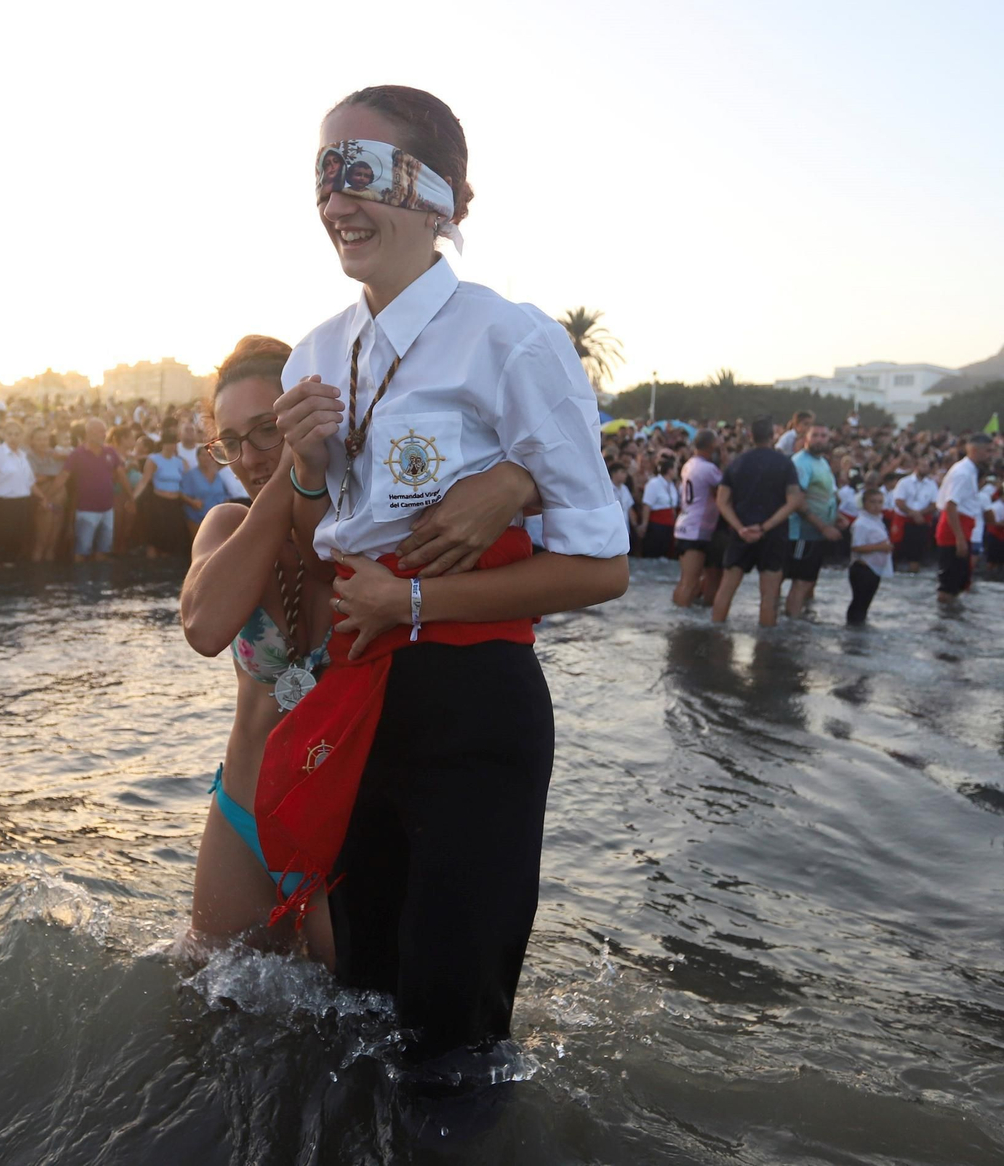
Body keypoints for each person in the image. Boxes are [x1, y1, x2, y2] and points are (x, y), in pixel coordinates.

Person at [268, 85, 628, 1070]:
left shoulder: (511, 338)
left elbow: (601, 566)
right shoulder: (315, 351)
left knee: (452, 1025)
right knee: (358, 996)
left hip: (472, 703)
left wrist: (415, 597)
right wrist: (304, 466)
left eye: (364, 171)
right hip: (354, 695)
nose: (336, 199)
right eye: (323, 173)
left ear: (444, 199)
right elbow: (306, 548)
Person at [181, 336, 337, 963]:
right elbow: (204, 629)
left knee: (345, 1029)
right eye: (231, 441)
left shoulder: (361, 537)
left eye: (268, 430)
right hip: (242, 816)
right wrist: (290, 473)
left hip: (338, 832)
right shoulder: (224, 526)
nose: (247, 457)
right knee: (204, 1009)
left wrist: (308, 474)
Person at [711, 417, 803, 627]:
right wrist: (764, 527)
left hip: (741, 533)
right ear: (773, 437)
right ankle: (765, 649)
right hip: (773, 534)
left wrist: (741, 528)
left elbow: (722, 502)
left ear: (751, 436)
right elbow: (794, 501)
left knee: (725, 591)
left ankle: (714, 638)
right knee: (769, 598)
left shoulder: (737, 463)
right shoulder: (784, 463)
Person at [783, 424, 844, 619]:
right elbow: (797, 500)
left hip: (816, 533)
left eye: (824, 435)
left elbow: (827, 494)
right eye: (815, 435)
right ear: (805, 439)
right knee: (800, 581)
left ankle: (803, 617)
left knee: (809, 580)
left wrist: (836, 516)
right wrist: (824, 526)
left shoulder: (822, 462)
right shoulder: (801, 462)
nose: (820, 439)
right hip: (801, 532)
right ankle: (791, 624)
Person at [934, 434, 991, 607]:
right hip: (953, 531)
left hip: (963, 528)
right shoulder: (963, 472)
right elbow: (951, 505)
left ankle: (953, 619)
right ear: (974, 450)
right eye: (988, 450)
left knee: (960, 580)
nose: (991, 454)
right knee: (949, 584)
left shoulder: (970, 470)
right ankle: (944, 625)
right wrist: (959, 538)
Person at [61, 418, 125, 563]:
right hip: (86, 510)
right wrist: (47, 497)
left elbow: (121, 475)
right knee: (81, 552)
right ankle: (81, 582)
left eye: (105, 431)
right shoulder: (77, 454)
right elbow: (63, 477)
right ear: (89, 433)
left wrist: (131, 498)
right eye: (101, 431)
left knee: (103, 552)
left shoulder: (110, 451)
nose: (104, 434)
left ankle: (100, 584)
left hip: (107, 509)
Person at [672, 429, 723, 607]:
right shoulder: (708, 468)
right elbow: (725, 490)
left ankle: (679, 614)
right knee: (690, 582)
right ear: (711, 446)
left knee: (686, 580)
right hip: (696, 528)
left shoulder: (689, 464)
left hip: (685, 525)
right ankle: (679, 622)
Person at [0, 420, 35, 566]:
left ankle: (10, 572)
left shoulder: (23, 456)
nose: (13, 437)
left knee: (15, 539)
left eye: (16, 434)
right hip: (0, 502)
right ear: (3, 435)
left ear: (21, 436)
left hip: (20, 502)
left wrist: (44, 498)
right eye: (9, 434)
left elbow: (29, 481)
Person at [132, 425, 190, 557]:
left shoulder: (180, 462)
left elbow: (187, 481)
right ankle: (151, 568)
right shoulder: (154, 459)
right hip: (158, 502)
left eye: (173, 444)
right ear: (163, 444)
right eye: (168, 443)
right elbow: (144, 481)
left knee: (171, 538)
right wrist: (133, 498)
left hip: (175, 503)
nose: (171, 446)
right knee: (155, 537)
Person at [846, 486, 892, 625]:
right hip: (863, 569)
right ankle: (853, 632)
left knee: (865, 604)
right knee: (859, 603)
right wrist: (881, 547)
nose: (877, 506)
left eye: (880, 502)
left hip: (874, 569)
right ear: (864, 503)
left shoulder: (876, 520)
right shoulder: (862, 523)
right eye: (873, 502)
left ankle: (859, 631)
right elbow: (856, 547)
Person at [26, 426, 66, 563]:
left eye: (45, 439)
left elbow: (65, 472)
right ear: (32, 441)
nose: (43, 442)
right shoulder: (28, 455)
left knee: (53, 539)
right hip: (41, 497)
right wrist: (51, 477)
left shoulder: (55, 454)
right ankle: (36, 574)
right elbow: (33, 478)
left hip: (59, 498)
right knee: (41, 539)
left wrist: (47, 476)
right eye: (39, 439)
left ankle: (51, 575)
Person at [890, 459, 938, 572]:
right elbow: (899, 501)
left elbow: (934, 504)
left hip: (921, 520)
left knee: (916, 553)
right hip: (904, 519)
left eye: (927, 466)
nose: (925, 468)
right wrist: (913, 513)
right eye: (922, 465)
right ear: (916, 466)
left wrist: (919, 514)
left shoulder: (931, 484)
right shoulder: (904, 482)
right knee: (896, 549)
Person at [180, 451, 232, 539]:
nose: (206, 458)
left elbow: (224, 494)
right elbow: (182, 494)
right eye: (203, 455)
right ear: (197, 457)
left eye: (209, 456)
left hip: (217, 517)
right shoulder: (191, 475)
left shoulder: (218, 474)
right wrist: (193, 502)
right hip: (197, 517)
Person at [639, 453, 679, 559]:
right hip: (657, 525)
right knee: (654, 553)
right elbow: (647, 505)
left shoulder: (671, 485)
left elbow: (673, 506)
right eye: (675, 469)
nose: (676, 471)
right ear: (669, 470)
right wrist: (644, 524)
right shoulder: (654, 484)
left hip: (669, 525)